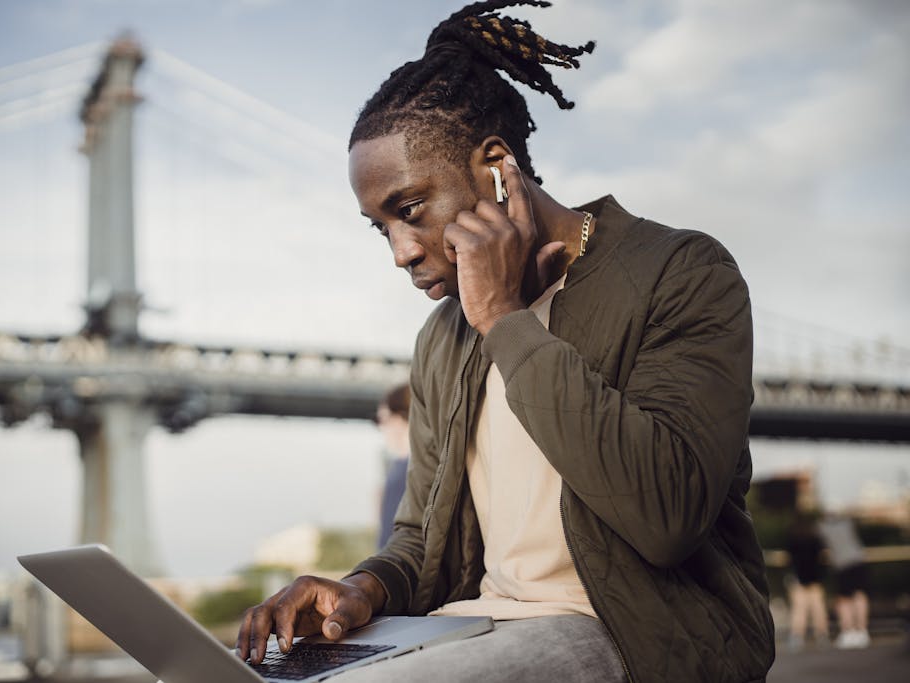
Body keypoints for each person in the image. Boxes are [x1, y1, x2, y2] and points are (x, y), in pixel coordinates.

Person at [237, 2, 775, 681]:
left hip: (631, 635)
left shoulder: (680, 272)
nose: (401, 252)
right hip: (476, 625)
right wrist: (363, 588)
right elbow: (419, 539)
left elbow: (668, 513)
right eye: (381, 229)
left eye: (409, 211)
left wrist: (504, 319)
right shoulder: (442, 337)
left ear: (496, 167)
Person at [818, 513, 871, 649]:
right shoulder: (848, 522)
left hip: (842, 564)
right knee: (860, 596)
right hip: (858, 560)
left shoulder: (821, 527)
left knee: (844, 600)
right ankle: (862, 631)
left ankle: (848, 632)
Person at [784, 511, 829, 651]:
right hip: (815, 577)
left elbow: (789, 558)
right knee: (818, 608)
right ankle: (822, 636)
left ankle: (797, 637)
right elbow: (823, 556)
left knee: (799, 610)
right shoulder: (816, 537)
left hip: (799, 577)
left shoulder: (792, 537)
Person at [374, 384, 412, 550]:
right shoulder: (398, 468)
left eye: (381, 419)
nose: (380, 427)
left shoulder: (405, 471)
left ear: (399, 417)